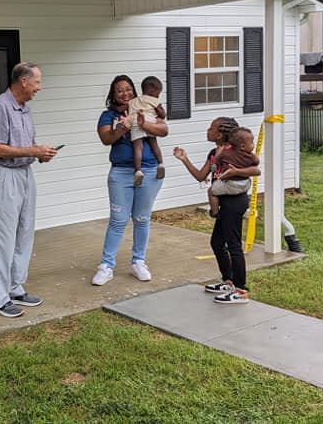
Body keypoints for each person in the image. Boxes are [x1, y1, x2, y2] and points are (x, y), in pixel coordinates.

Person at [0, 62, 58, 318]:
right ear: (23, 81)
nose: (39, 87)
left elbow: (26, 146)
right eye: (37, 82)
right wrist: (32, 151)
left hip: (25, 173)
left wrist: (41, 154)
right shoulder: (0, 106)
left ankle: (15, 287)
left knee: (25, 232)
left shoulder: (25, 109)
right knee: (6, 237)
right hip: (5, 175)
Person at [91, 75, 169, 286]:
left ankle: (138, 262)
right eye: (120, 90)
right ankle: (106, 265)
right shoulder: (108, 115)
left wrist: (143, 124)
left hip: (150, 171)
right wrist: (124, 127)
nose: (125, 93)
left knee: (142, 218)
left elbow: (164, 129)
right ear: (113, 95)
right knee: (118, 219)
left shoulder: (145, 107)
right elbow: (106, 138)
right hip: (121, 173)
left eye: (128, 89)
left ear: (134, 91)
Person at [173, 117, 260, 304]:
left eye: (211, 128)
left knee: (233, 245)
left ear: (219, 134)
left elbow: (254, 170)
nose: (208, 130)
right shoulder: (214, 153)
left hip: (234, 202)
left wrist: (235, 172)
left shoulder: (238, 152)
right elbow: (201, 176)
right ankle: (228, 281)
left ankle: (240, 290)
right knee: (217, 243)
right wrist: (184, 159)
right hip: (223, 203)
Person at [207, 127, 259, 217]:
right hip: (246, 184)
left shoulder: (226, 153)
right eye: (252, 143)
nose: (253, 145)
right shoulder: (251, 156)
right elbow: (256, 162)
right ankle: (246, 205)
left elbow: (216, 162)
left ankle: (215, 212)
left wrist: (219, 153)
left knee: (211, 191)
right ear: (243, 146)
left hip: (231, 184)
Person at [128, 76, 167, 187]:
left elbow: (130, 114)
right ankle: (160, 164)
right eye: (158, 93)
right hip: (149, 120)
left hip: (135, 120)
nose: (158, 96)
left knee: (138, 148)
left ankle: (138, 171)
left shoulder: (132, 101)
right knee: (153, 144)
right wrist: (160, 111)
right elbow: (162, 114)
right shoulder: (153, 100)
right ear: (152, 90)